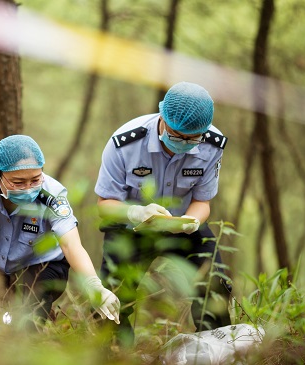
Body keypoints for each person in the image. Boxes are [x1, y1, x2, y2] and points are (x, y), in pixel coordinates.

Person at [0, 135, 119, 325]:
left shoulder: (53, 196)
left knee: (26, 321)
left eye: (35, 180)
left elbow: (71, 245)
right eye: (18, 182)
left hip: (39, 267)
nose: (28, 188)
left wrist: (95, 286)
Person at [94, 82, 231, 345]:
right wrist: (135, 212)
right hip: (130, 226)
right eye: (178, 135)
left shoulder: (213, 144)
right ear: (162, 118)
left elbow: (203, 201)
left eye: (194, 138)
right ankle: (117, 355)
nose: (185, 143)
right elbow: (105, 204)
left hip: (181, 226)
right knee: (113, 297)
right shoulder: (124, 143)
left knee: (215, 283)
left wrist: (192, 221)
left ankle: (215, 349)